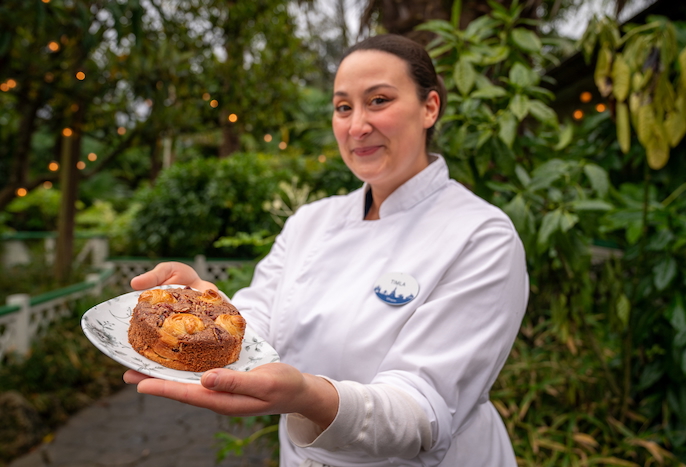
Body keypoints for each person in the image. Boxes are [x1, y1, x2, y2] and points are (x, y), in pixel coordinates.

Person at [125, 34, 529, 466]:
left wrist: (308, 395)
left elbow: (423, 412)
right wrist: (204, 309)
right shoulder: (310, 221)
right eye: (343, 107)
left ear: (430, 107)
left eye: (378, 101)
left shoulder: (481, 235)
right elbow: (257, 330)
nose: (356, 126)